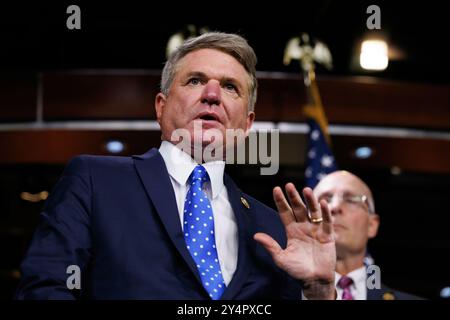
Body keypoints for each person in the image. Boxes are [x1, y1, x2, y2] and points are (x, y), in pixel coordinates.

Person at [15, 32, 337, 300]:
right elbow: (44, 289)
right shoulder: (95, 181)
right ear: (161, 106)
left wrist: (318, 290)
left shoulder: (274, 228)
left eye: (230, 87)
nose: (212, 95)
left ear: (247, 123)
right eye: (195, 81)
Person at [313, 170, 422, 300]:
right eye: (324, 200)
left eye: (350, 199)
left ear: (372, 225)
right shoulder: (284, 293)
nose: (334, 207)